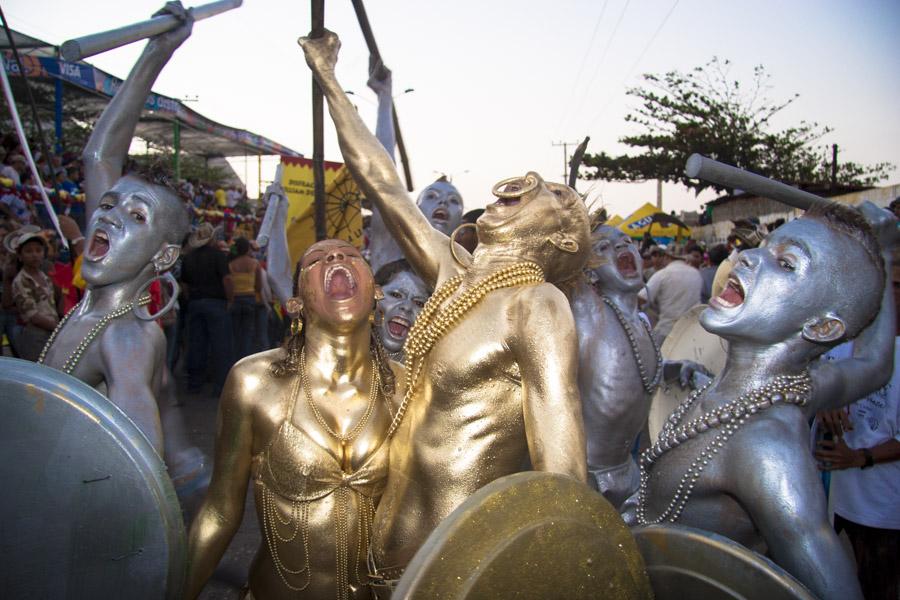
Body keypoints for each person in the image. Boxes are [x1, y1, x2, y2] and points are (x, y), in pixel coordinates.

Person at [300, 30, 589, 591]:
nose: (528, 185)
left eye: (555, 194)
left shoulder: (537, 305)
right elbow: (382, 182)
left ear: (566, 240)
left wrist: (567, 562)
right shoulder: (454, 274)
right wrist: (329, 79)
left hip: (453, 561)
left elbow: (564, 469)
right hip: (386, 539)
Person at [635, 200, 897, 600]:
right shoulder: (793, 388)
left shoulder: (765, 447)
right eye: (764, 245)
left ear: (821, 327)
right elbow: (875, 365)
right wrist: (884, 249)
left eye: (787, 263)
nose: (750, 257)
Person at [184, 239, 399, 600]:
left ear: (376, 292)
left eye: (351, 255)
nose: (335, 257)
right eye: (317, 259)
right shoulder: (253, 382)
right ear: (295, 304)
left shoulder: (406, 387)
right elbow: (220, 512)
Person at [571, 223, 706, 510]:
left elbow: (638, 371)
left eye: (627, 241)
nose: (621, 248)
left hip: (629, 472)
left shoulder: (641, 322)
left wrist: (674, 368)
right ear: (589, 271)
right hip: (587, 476)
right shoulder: (586, 311)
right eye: (603, 248)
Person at [814, 259, 900, 599]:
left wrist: (860, 457)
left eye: (895, 285)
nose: (885, 294)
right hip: (829, 498)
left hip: (882, 507)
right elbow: (808, 380)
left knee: (879, 587)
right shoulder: (841, 341)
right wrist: (824, 399)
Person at [365, 63, 464, 273]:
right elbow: (384, 175)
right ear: (415, 210)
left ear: (461, 222)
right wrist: (384, 97)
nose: (443, 202)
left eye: (454, 201)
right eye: (432, 196)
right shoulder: (393, 246)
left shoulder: (465, 269)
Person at [181, 222, 234, 396]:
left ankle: (194, 383)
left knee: (196, 343)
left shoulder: (188, 258)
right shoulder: (218, 256)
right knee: (220, 345)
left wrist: (191, 299)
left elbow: (184, 284)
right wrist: (230, 299)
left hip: (196, 302)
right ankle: (220, 386)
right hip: (216, 303)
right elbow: (227, 280)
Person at [639, 245, 702, 344]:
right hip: (690, 331)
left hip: (667, 330)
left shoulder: (663, 274)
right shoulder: (696, 274)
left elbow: (642, 298)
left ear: (666, 257)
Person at [11, 231, 58, 360]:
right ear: (20, 256)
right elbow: (32, 315)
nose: (35, 255)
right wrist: (58, 328)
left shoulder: (45, 277)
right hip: (35, 334)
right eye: (29, 251)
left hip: (52, 331)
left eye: (38, 250)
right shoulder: (21, 280)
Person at [373, 259, 428, 362]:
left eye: (419, 303)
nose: (407, 307)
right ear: (375, 294)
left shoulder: (427, 375)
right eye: (396, 295)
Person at [228, 236, 261, 361]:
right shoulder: (254, 263)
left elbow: (229, 283)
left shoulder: (231, 264)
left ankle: (235, 361)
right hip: (250, 299)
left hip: (235, 300)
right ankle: (245, 360)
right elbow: (259, 285)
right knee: (248, 333)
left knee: (235, 334)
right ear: (247, 249)